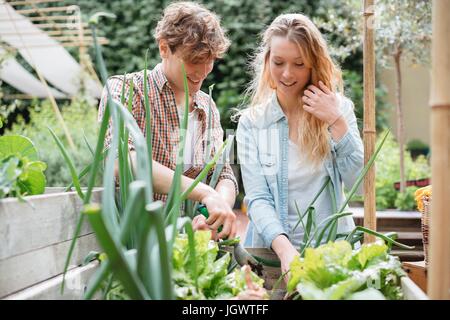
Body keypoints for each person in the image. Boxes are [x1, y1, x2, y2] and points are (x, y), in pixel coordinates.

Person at [236, 13, 364, 276]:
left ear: (313, 65)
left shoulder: (339, 110)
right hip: (270, 255)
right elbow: (258, 198)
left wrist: (336, 122)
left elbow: (360, 185)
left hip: (334, 253)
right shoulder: (253, 123)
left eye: (298, 63)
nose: (286, 73)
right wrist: (286, 253)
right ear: (267, 60)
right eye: (279, 62)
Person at [98, 2, 238, 239]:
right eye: (194, 60)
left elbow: (223, 174)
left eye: (210, 60)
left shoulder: (208, 107)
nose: (204, 71)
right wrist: (203, 192)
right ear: (164, 48)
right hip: (137, 246)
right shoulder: (126, 90)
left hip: (191, 249)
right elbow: (122, 161)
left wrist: (217, 211)